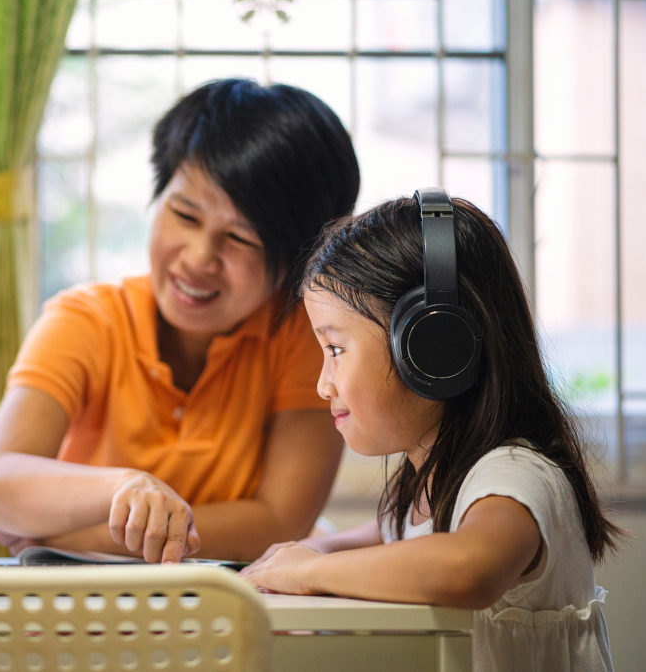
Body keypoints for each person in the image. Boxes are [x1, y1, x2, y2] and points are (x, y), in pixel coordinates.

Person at [0, 79, 361, 565]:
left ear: (299, 258)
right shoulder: (87, 320)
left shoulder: (304, 338)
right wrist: (126, 488)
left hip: (221, 617)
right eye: (185, 215)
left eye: (240, 238)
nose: (199, 258)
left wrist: (77, 537)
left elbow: (281, 522)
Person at [241, 194, 622, 672]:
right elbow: (384, 539)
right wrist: (307, 551)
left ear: (433, 347)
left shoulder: (513, 475)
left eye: (335, 348)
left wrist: (310, 572)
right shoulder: (429, 478)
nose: (322, 383)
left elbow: (469, 570)